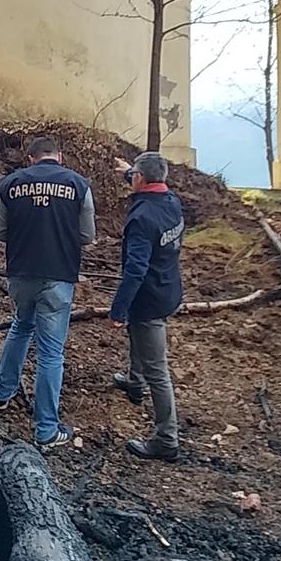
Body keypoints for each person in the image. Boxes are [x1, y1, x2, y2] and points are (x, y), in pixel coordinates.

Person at [0, 135, 96, 448]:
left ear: (31, 158)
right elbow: (88, 235)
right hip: (59, 275)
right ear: (59, 157)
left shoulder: (11, 184)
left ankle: (2, 393)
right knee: (51, 352)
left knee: (20, 326)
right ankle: (46, 429)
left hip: (21, 272)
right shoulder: (78, 185)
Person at [108, 151, 185, 462]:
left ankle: (167, 439)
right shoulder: (171, 202)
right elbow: (146, 184)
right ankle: (133, 382)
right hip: (169, 288)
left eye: (134, 176)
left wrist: (118, 308)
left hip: (149, 298)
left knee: (158, 370)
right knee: (138, 337)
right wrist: (129, 171)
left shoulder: (141, 219)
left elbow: (135, 270)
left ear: (142, 179)